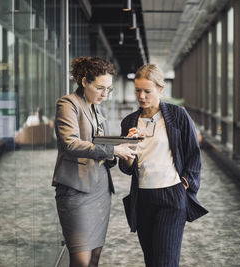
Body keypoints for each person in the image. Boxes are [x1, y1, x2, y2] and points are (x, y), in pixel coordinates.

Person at [119, 63, 208, 267]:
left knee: (165, 263)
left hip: (171, 197)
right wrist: (129, 148)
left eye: (147, 91)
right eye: (138, 91)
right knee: (151, 261)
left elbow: (194, 155)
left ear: (160, 89)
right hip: (142, 198)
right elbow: (127, 168)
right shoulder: (129, 122)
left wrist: (184, 184)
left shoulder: (178, 116)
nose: (141, 96)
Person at [52, 56, 136, 267]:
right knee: (81, 259)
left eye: (108, 89)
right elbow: (71, 144)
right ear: (84, 81)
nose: (104, 94)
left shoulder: (98, 109)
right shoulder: (68, 104)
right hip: (75, 189)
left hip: (100, 189)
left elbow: (101, 143)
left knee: (95, 256)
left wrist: (124, 142)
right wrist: (113, 150)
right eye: (100, 88)